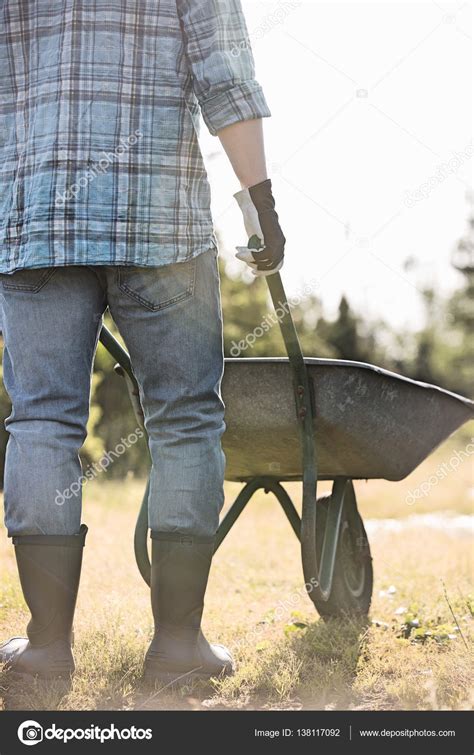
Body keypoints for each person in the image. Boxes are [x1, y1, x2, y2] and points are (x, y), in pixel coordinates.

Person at [0, 0, 285, 685]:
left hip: (36, 216)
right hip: (157, 220)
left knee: (41, 419)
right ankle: (179, 648)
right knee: (185, 418)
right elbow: (226, 77)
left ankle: (45, 652)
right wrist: (262, 206)